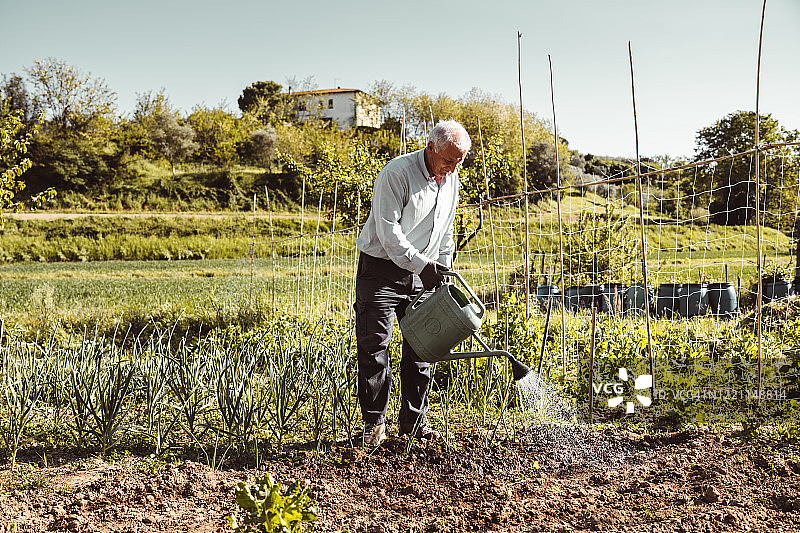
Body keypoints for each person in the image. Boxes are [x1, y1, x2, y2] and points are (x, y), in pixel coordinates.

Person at [354, 119, 471, 447]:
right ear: (431, 147)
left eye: (459, 161)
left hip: (425, 272)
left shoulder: (451, 178)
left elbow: (445, 228)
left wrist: (444, 267)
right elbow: (389, 233)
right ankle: (374, 427)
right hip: (380, 270)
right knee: (375, 346)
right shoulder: (397, 173)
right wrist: (423, 265)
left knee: (422, 346)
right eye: (448, 160)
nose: (452, 168)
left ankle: (413, 423)